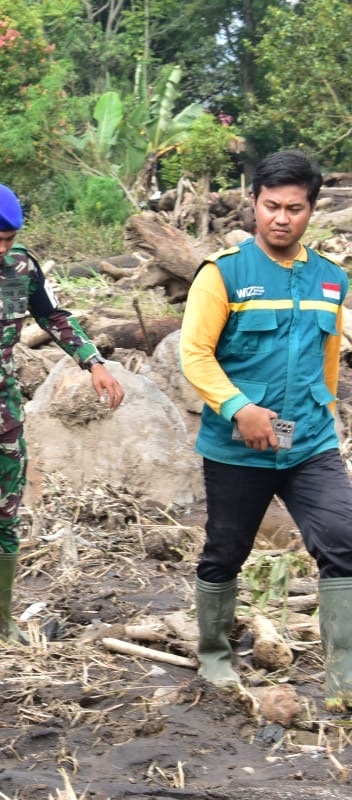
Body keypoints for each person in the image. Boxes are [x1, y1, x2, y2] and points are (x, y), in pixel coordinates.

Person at [180, 150, 352, 705]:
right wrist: (241, 409)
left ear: (311, 211)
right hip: (237, 446)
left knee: (344, 543)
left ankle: (344, 683)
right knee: (225, 552)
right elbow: (196, 354)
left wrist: (327, 417)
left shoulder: (331, 280)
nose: (282, 218)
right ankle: (214, 659)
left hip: (310, 444)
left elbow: (328, 360)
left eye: (295, 208)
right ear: (253, 204)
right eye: (271, 206)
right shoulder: (223, 273)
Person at [0, 181, 124, 643]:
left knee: (3, 513)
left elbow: (54, 317)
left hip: (4, 412)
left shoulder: (22, 268)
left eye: (9, 240)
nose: (1, 249)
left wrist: (93, 362)